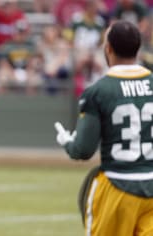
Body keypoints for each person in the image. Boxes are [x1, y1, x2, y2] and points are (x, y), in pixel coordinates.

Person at [54, 20, 153, 236]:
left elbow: (83, 150)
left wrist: (67, 142)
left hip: (118, 185)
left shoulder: (99, 91)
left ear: (108, 48)